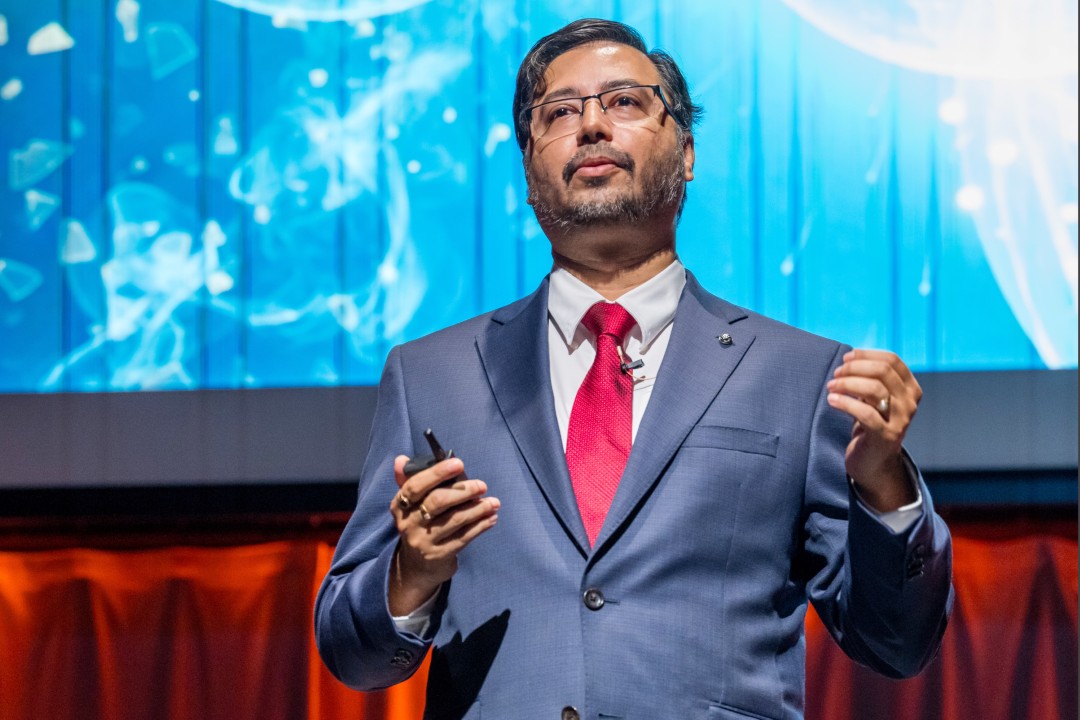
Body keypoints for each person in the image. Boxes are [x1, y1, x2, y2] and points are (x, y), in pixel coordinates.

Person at [315, 18, 953, 720]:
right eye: (559, 112)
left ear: (685, 153)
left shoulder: (803, 376)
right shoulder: (430, 374)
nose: (591, 125)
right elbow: (355, 656)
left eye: (623, 101)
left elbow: (896, 643)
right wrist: (411, 574)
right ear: (530, 172)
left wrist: (884, 486)